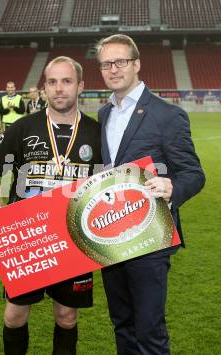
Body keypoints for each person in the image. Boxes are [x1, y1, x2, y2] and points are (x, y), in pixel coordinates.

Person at [0, 56, 102, 355]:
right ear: (44, 87)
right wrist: (1, 215)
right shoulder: (24, 127)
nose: (59, 89)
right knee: (15, 314)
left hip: (75, 238)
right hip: (29, 240)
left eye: (67, 81)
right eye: (52, 82)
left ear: (80, 86)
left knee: (67, 316)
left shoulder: (97, 132)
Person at [95, 34, 205, 355]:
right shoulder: (103, 115)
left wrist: (173, 188)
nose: (113, 69)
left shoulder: (167, 115)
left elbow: (194, 173)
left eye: (120, 62)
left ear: (137, 64)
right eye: (106, 64)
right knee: (122, 324)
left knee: (149, 330)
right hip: (111, 235)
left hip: (150, 236)